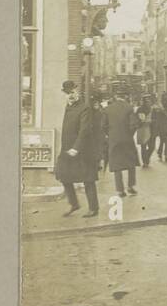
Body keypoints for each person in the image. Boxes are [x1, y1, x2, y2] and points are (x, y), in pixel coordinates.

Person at [55, 81, 100, 217]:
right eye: (68, 93)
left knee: (88, 179)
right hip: (67, 149)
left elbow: (84, 130)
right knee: (63, 176)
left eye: (73, 92)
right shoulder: (67, 107)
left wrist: (76, 148)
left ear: (77, 92)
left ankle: (93, 208)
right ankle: (74, 204)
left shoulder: (84, 108)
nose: (70, 96)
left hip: (83, 150)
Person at [104, 92, 140, 197]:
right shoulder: (129, 108)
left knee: (117, 165)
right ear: (125, 97)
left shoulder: (108, 109)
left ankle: (120, 190)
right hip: (127, 139)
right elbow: (134, 125)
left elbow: (103, 125)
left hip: (114, 140)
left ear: (115, 97)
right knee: (131, 163)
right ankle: (131, 187)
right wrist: (129, 134)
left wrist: (110, 135)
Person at [152, 98, 167, 163]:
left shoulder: (160, 112)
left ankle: (160, 154)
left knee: (161, 142)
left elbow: (158, 121)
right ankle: (166, 155)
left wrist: (157, 129)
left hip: (161, 130)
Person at [136, 94, 156, 167]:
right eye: (147, 101)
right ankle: (145, 161)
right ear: (144, 102)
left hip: (152, 130)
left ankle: (146, 157)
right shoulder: (140, 109)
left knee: (152, 147)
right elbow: (141, 120)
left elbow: (156, 119)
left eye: (149, 100)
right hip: (143, 129)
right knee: (143, 146)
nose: (149, 102)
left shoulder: (153, 109)